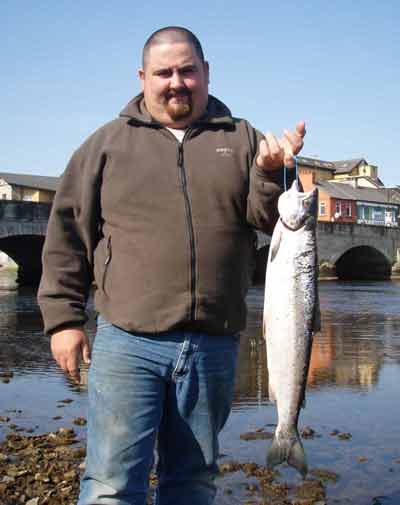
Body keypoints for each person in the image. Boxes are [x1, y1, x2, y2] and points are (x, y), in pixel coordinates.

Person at [38, 26, 305, 505]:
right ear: (143, 77)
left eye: (187, 70)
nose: (175, 82)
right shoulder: (105, 145)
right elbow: (65, 235)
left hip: (213, 346)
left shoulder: (243, 139)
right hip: (127, 344)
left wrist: (269, 174)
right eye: (163, 72)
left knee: (194, 481)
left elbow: (272, 222)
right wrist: (63, 320)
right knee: (111, 485)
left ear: (206, 73)